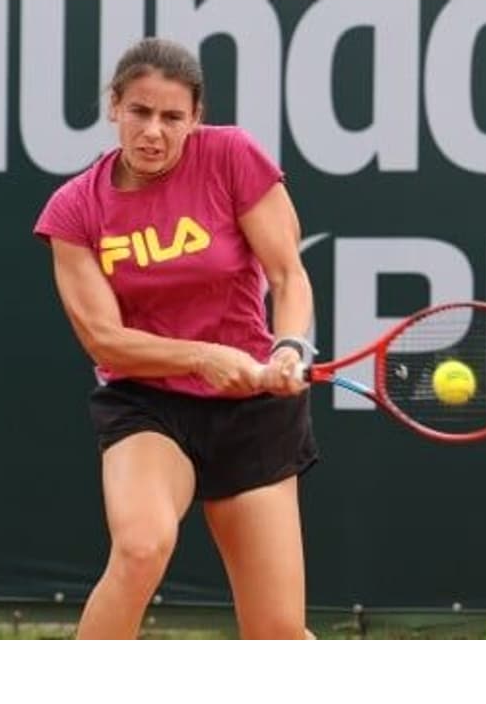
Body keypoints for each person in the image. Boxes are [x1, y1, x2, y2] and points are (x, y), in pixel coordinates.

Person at [33, 37, 318, 640]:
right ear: (114, 106)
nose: (154, 132)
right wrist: (202, 356)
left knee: (278, 637)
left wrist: (290, 348)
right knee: (140, 548)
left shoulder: (233, 157)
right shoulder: (74, 211)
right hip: (147, 403)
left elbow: (288, 274)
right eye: (139, 111)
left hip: (252, 412)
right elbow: (105, 341)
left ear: (196, 119)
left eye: (172, 117)